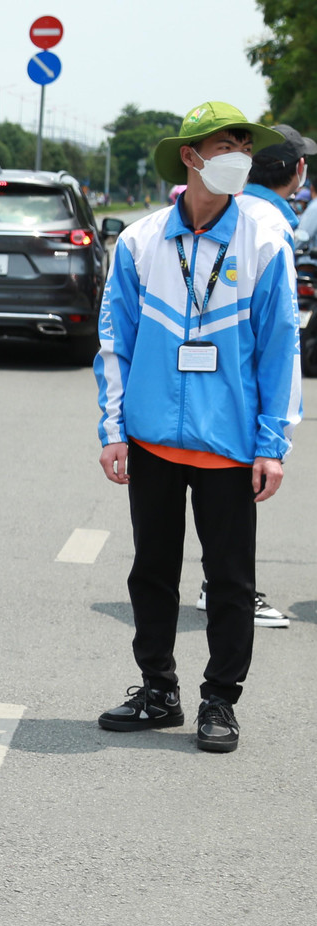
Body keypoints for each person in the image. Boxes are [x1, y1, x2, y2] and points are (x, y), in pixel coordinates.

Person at [94, 101, 301, 753]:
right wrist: (112, 429)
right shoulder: (141, 241)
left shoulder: (264, 239)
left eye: (245, 144)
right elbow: (114, 340)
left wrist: (273, 445)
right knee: (151, 572)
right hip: (152, 440)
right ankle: (158, 691)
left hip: (229, 446)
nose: (239, 155)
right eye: (224, 146)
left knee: (230, 580)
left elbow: (279, 349)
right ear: (190, 158)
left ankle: (220, 702)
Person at [190, 123, 317, 628]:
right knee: (235, 490)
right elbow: (277, 330)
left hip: (203, 371)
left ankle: (219, 583)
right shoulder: (272, 223)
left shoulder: (242, 206)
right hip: (232, 380)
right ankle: (224, 588)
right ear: (299, 171)